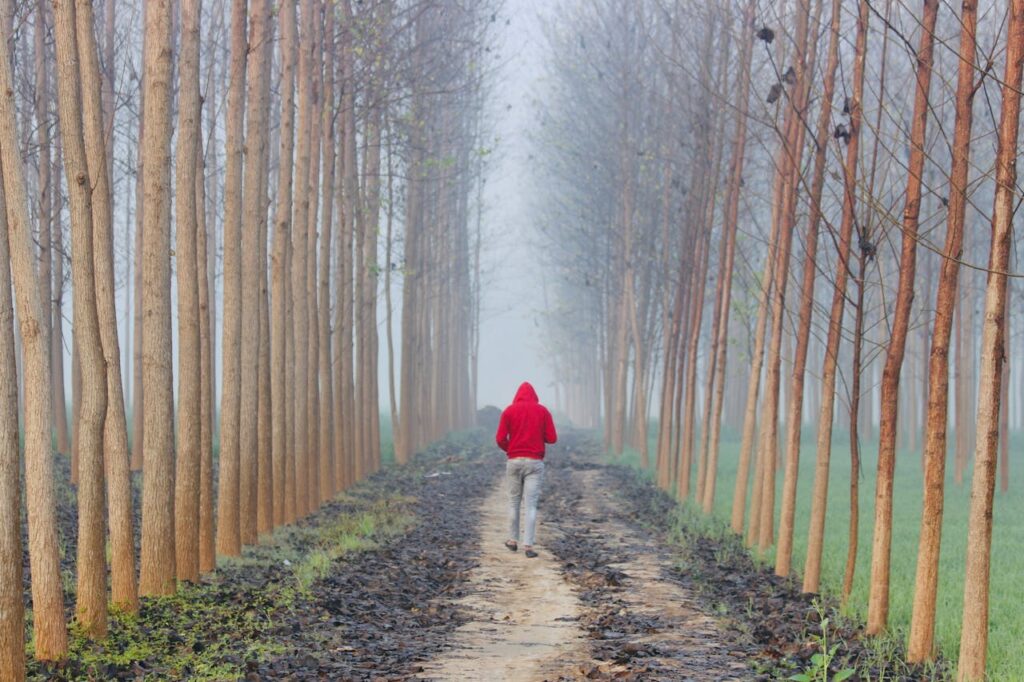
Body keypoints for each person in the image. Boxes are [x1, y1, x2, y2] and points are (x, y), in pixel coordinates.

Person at [495, 382, 558, 558]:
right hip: (534, 463)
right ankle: (528, 546)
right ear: (534, 395)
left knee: (514, 502)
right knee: (531, 505)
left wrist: (511, 449)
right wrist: (538, 437)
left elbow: (500, 438)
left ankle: (512, 540)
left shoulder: (508, 411)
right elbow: (552, 438)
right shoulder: (543, 411)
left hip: (514, 462)